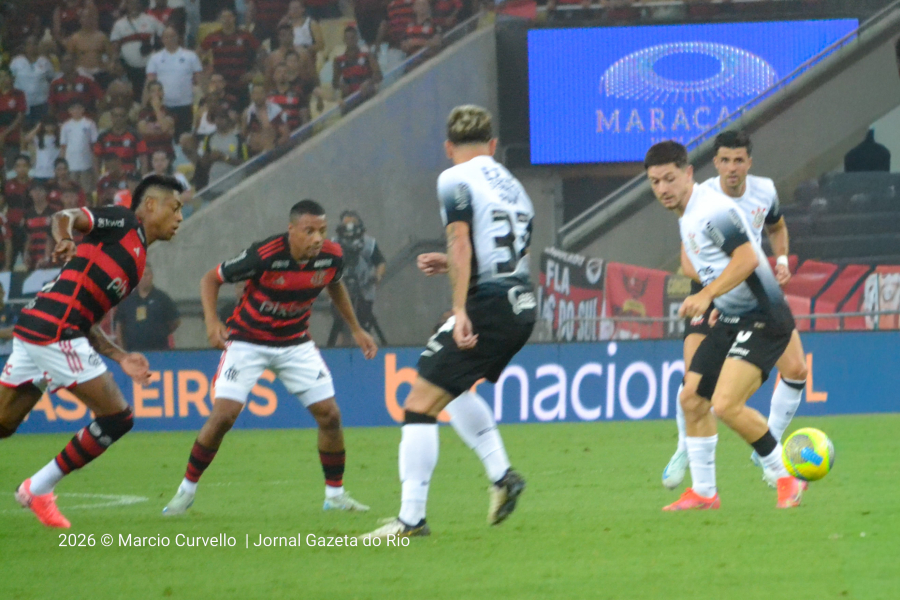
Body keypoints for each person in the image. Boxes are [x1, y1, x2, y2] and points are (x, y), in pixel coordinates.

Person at [361, 105, 535, 540]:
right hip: (521, 302)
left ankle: (411, 520)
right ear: (493, 146)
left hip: (488, 303)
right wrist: (458, 267)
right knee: (449, 390)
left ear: (448, 147)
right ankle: (502, 476)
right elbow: (498, 252)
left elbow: (460, 239)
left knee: (419, 402)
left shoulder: (454, 178)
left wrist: (460, 309)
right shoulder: (516, 187)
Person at [162, 199, 377, 516]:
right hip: (247, 341)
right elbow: (211, 279)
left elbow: (335, 285)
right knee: (223, 416)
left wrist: (356, 328)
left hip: (295, 344)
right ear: (292, 230)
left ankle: (335, 495)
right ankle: (185, 492)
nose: (318, 238)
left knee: (330, 415)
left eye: (322, 230)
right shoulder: (264, 255)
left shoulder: (331, 256)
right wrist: (211, 322)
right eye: (309, 231)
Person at [0, 174, 185, 528]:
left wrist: (121, 357)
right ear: (150, 206)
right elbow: (64, 217)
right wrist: (66, 238)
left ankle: (37, 488)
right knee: (118, 417)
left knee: (3, 424)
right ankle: (38, 489)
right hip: (56, 331)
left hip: (41, 328)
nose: (179, 217)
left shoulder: (137, 261)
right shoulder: (124, 222)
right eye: (174, 208)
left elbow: (90, 319)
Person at [644, 140, 804, 511]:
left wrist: (706, 295)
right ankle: (704, 492)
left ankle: (785, 478)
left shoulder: (709, 211)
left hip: (764, 317)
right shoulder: (687, 214)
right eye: (655, 182)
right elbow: (721, 264)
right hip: (733, 316)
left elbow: (747, 259)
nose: (663, 189)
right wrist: (718, 301)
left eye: (669, 179)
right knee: (691, 398)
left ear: (687, 174)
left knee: (726, 404)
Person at [326, 210, 386, 346]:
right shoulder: (333, 243)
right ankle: (341, 354)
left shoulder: (369, 243)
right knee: (341, 326)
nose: (350, 227)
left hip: (364, 291)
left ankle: (366, 352)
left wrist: (377, 276)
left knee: (364, 326)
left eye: (353, 223)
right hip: (340, 291)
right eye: (346, 223)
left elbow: (380, 262)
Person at [146, 27, 203, 137]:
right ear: (162, 39)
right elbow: (150, 83)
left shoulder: (190, 56)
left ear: (178, 38)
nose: (170, 39)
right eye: (166, 37)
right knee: (165, 135)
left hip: (186, 105)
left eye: (173, 36)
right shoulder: (155, 58)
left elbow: (198, 79)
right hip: (164, 106)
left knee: (185, 136)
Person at [200, 8, 261, 109]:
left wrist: (254, 71)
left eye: (229, 17)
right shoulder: (213, 37)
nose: (227, 19)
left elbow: (261, 53)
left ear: (234, 18)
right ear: (219, 20)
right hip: (221, 86)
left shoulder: (245, 36)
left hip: (241, 84)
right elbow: (197, 54)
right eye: (224, 17)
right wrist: (206, 71)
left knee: (242, 113)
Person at [114, 264, 180, 350]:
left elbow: (175, 321)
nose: (143, 278)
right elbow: (119, 325)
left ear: (151, 276)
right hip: (133, 352)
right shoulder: (127, 300)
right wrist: (122, 349)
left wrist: (161, 332)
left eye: (146, 274)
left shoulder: (162, 298)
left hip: (159, 351)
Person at [111, 0, 166, 94]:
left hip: (149, 67)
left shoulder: (151, 19)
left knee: (150, 94)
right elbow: (114, 47)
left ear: (140, 4)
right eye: (131, 3)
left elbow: (165, 34)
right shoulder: (119, 24)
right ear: (127, 5)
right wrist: (115, 62)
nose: (133, 6)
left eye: (136, 3)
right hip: (128, 69)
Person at [9, 35, 56, 128]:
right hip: (22, 104)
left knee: (40, 130)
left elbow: (51, 79)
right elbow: (10, 79)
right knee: (24, 131)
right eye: (29, 44)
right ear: (25, 47)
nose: (32, 47)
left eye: (35, 44)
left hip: (41, 104)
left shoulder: (45, 61)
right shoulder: (16, 61)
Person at [65, 6, 114, 87]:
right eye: (84, 17)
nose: (87, 20)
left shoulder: (102, 37)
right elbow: (69, 58)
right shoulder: (74, 38)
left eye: (89, 17)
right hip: (81, 74)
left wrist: (109, 66)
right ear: (80, 20)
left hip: (99, 73)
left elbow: (111, 56)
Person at [59, 100, 100, 195]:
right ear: (69, 111)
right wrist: (62, 163)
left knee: (86, 191)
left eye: (78, 108)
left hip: (86, 163)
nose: (76, 111)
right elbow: (63, 146)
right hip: (70, 164)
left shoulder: (89, 124)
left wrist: (95, 163)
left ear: (83, 110)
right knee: (72, 190)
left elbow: (94, 144)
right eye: (73, 109)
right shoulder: (65, 126)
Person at [48, 54, 105, 119]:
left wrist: (97, 116)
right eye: (63, 62)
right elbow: (52, 105)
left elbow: (101, 98)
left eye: (68, 61)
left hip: (85, 121)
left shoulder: (86, 80)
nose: (66, 64)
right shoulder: (55, 83)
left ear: (75, 63)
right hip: (64, 122)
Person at [332, 25, 382, 100]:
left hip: (366, 95)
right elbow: (334, 83)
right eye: (347, 38)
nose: (350, 41)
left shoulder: (367, 56)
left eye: (352, 38)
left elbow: (379, 75)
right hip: (350, 98)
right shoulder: (338, 60)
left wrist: (369, 82)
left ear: (357, 39)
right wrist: (340, 85)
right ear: (344, 40)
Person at [136, 80, 176, 174]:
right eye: (153, 91)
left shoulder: (169, 111)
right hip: (148, 153)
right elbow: (143, 130)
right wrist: (161, 129)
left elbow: (166, 128)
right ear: (149, 94)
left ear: (163, 93)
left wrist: (157, 108)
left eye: (159, 90)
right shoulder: (143, 113)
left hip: (166, 152)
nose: (156, 93)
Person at [95, 106, 142, 176]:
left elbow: (143, 157)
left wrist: (142, 176)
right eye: (116, 116)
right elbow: (96, 157)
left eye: (121, 116)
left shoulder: (135, 135)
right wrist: (97, 177)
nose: (118, 118)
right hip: (109, 177)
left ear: (126, 117)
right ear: (111, 117)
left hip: (130, 177)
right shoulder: (102, 136)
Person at [22, 182, 56, 271]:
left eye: (40, 191)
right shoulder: (28, 214)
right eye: (34, 191)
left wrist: (47, 258)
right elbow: (28, 236)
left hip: (52, 261)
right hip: (34, 260)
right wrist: (26, 254)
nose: (37, 193)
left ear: (45, 193)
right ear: (30, 193)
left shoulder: (53, 212)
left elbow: (52, 237)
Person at [0, 68, 28, 170]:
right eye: (1, 76)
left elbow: (20, 117)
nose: (3, 79)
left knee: (11, 169)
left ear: (12, 78)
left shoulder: (18, 94)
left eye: (5, 76)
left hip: (12, 138)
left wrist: (4, 134)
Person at [22, 116, 62, 184]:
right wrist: (37, 128)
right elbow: (26, 139)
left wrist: (61, 127)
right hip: (39, 172)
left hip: (53, 172)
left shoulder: (59, 138)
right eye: (47, 125)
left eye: (51, 125)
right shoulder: (39, 138)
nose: (49, 127)